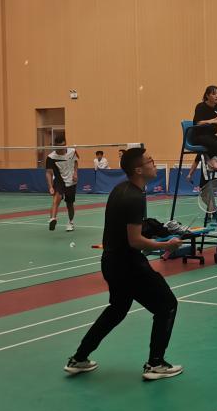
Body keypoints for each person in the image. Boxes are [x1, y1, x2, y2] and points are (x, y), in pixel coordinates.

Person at [64, 147, 184, 381]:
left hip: (111, 263)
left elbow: (127, 230)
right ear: (138, 170)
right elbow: (135, 241)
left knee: (117, 309)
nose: (154, 164)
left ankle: (79, 358)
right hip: (129, 265)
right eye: (150, 161)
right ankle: (155, 364)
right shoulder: (134, 197)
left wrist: (153, 231)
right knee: (167, 306)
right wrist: (167, 245)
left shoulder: (120, 190)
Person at [45, 137, 78, 232]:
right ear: (55, 146)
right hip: (59, 180)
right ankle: (53, 219)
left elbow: (75, 162)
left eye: (63, 146)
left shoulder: (72, 151)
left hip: (71, 181)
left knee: (70, 204)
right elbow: (48, 173)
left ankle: (70, 222)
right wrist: (50, 187)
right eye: (59, 147)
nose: (62, 148)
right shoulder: (51, 157)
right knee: (57, 198)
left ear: (65, 144)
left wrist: (75, 173)